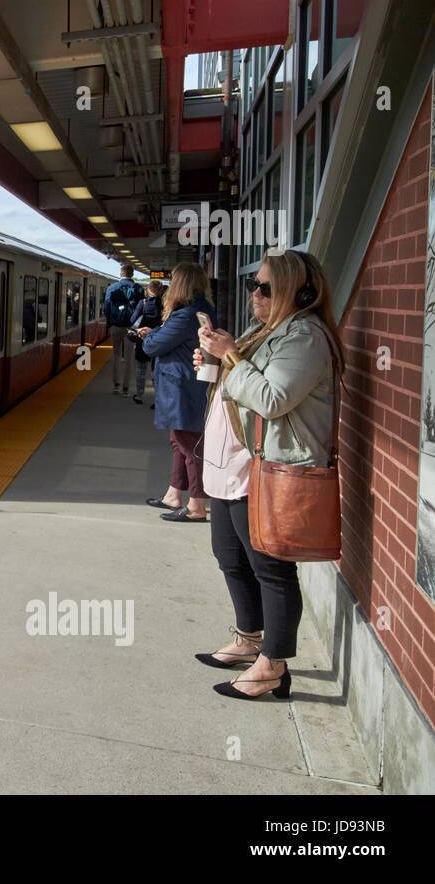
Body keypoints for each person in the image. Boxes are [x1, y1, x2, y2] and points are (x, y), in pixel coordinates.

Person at [193, 249, 342, 701]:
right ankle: (249, 638)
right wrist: (214, 360)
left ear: (301, 291)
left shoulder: (306, 337)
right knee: (230, 555)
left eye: (265, 288)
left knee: (270, 567)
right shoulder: (266, 330)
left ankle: (273, 665)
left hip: (267, 468)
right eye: (253, 285)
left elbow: (273, 397)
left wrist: (232, 356)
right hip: (235, 462)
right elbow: (237, 385)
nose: (254, 294)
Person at [138, 263, 215, 523]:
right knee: (178, 442)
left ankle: (196, 506)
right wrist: (158, 333)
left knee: (189, 445)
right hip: (186, 386)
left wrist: (151, 334)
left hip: (182, 388)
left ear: (180, 285)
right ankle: (173, 493)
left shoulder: (185, 315)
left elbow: (153, 347)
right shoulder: (200, 310)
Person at [103, 265, 144, 395]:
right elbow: (142, 309)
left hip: (116, 326)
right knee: (129, 357)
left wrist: (110, 323)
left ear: (121, 274)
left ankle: (116, 384)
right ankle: (126, 388)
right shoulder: (138, 288)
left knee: (116, 354)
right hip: (131, 328)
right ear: (132, 274)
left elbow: (106, 307)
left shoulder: (112, 288)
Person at [127, 280, 166, 404]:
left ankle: (139, 396)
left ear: (148, 291)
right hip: (159, 340)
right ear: (160, 291)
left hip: (143, 340)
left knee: (141, 369)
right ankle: (157, 401)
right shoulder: (165, 305)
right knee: (156, 372)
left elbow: (133, 319)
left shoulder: (142, 303)